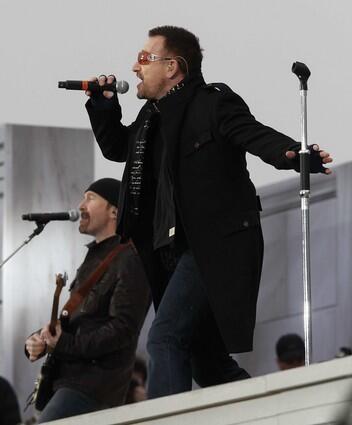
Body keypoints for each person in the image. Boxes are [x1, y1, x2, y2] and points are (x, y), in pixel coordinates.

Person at [85, 26, 333, 398]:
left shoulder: (211, 102)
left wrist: (293, 155)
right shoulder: (150, 118)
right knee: (207, 363)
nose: (135, 68)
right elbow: (119, 147)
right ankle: (278, 411)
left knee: (165, 338)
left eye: (144, 58)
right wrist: (104, 105)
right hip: (168, 250)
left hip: (212, 243)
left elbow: (253, 134)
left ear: (172, 67)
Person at [25, 178, 150, 422]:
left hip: (93, 386)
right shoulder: (94, 258)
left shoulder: (129, 259)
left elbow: (122, 328)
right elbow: (79, 321)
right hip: (69, 382)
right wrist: (40, 339)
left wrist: (63, 344)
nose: (81, 204)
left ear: (114, 210)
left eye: (90, 198)